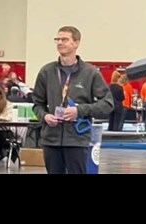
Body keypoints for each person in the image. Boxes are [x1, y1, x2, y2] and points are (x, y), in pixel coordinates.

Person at [31, 26, 113, 174]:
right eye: (57, 39)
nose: (60, 42)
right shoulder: (46, 72)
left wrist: (79, 111)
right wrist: (44, 116)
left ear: (76, 43)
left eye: (65, 39)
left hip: (77, 139)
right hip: (51, 139)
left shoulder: (90, 73)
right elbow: (37, 104)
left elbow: (107, 104)